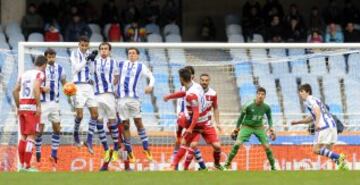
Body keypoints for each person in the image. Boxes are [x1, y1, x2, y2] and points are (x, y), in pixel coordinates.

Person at [163, 68, 224, 170]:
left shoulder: (192, 95)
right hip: (199, 121)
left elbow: (196, 113)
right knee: (184, 144)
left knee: (217, 146)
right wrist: (170, 96)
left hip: (201, 122)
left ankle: (216, 164)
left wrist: (190, 128)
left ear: (181, 79)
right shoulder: (195, 86)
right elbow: (184, 93)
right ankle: (173, 165)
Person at [290, 84, 348, 170]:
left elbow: (317, 111)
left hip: (324, 126)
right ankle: (342, 164)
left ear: (308, 92)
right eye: (299, 92)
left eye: (302, 91)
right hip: (332, 126)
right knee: (327, 150)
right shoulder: (316, 99)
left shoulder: (309, 100)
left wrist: (317, 124)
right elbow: (312, 117)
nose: (300, 93)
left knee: (316, 149)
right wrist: (298, 122)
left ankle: (339, 157)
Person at [115, 47, 155, 162]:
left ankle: (146, 148)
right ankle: (129, 151)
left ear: (137, 55)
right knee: (126, 125)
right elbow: (115, 77)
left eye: (133, 53)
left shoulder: (141, 66)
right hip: (121, 99)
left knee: (138, 122)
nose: (131, 55)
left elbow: (151, 77)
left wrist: (150, 86)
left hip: (134, 99)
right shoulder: (121, 64)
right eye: (129, 53)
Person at [224, 87, 276, 171]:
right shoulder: (248, 105)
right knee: (237, 144)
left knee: (267, 147)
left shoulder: (266, 107)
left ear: (265, 96)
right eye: (259, 94)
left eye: (262, 94)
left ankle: (273, 167)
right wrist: (237, 128)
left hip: (259, 128)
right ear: (256, 95)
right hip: (246, 127)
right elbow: (241, 117)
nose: (260, 96)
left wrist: (271, 127)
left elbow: (269, 117)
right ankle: (226, 165)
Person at [13, 55, 48, 172]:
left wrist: (19, 106)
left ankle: (21, 165)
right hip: (32, 108)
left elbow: (14, 91)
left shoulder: (24, 74)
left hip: (22, 107)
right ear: (44, 65)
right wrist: (38, 106)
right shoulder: (40, 74)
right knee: (31, 136)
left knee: (23, 136)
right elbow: (35, 87)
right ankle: (27, 166)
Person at [181, 73, 223, 170]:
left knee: (217, 146)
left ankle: (216, 164)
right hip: (195, 123)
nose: (204, 82)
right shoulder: (195, 91)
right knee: (192, 145)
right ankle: (187, 168)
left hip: (207, 123)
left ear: (209, 81)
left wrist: (218, 123)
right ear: (199, 81)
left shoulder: (213, 94)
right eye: (202, 80)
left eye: (206, 80)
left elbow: (215, 108)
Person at [34, 48, 67, 168]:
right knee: (39, 130)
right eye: (49, 57)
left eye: (53, 57)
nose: (51, 59)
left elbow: (64, 82)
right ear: (46, 57)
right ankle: (38, 150)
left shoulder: (60, 68)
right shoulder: (41, 69)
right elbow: (35, 85)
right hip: (43, 103)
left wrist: (69, 88)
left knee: (57, 128)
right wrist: (43, 89)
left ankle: (53, 154)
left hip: (55, 102)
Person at [170, 66, 206, 171]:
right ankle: (202, 167)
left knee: (188, 143)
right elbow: (180, 103)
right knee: (181, 143)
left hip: (189, 120)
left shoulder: (195, 89)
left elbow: (197, 107)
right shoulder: (183, 88)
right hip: (181, 119)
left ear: (192, 76)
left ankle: (175, 166)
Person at [70, 36, 99, 154]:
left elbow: (92, 71)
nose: (84, 47)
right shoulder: (74, 54)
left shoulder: (89, 54)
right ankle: (76, 134)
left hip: (89, 86)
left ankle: (89, 139)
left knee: (95, 114)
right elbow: (76, 69)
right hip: (78, 86)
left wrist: (92, 60)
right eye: (82, 45)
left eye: (86, 45)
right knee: (80, 115)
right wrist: (87, 58)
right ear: (79, 44)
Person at [92, 42, 119, 161]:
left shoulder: (114, 62)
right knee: (99, 123)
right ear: (99, 50)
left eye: (106, 49)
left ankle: (116, 149)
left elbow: (117, 77)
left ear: (109, 51)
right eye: (102, 49)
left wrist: (111, 86)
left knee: (112, 122)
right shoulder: (94, 62)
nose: (103, 50)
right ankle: (107, 150)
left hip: (109, 95)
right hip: (97, 95)